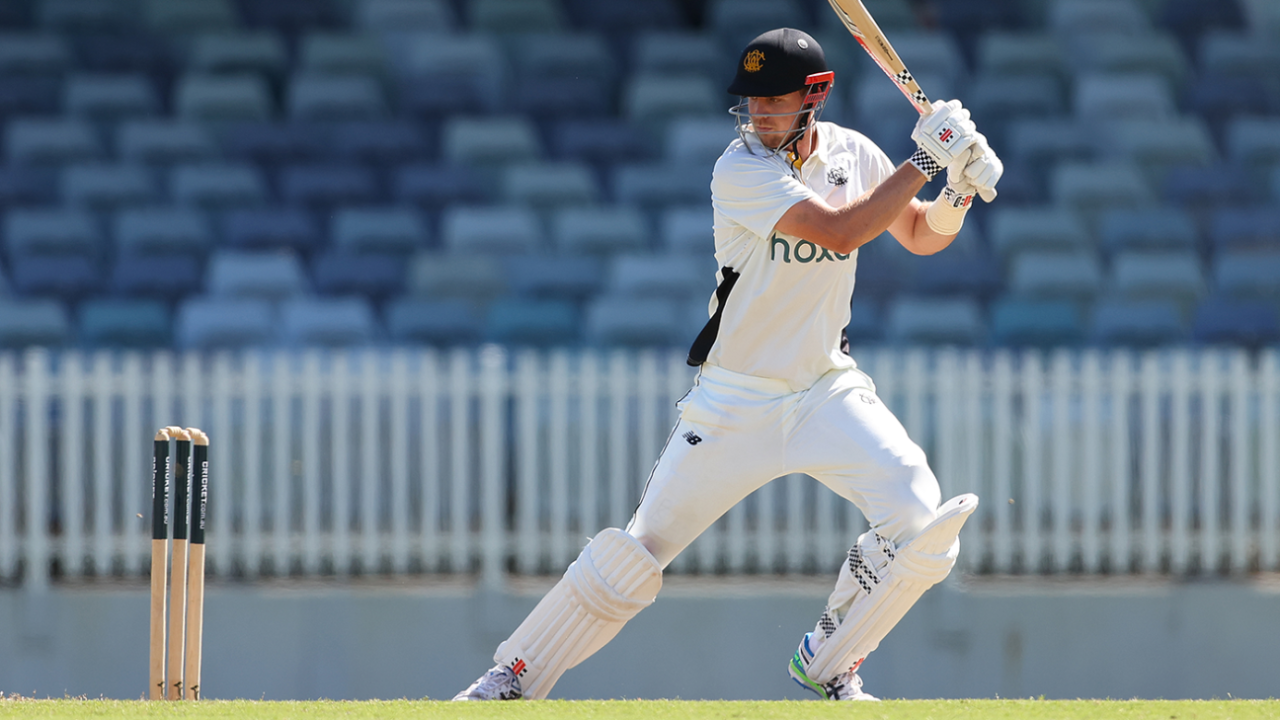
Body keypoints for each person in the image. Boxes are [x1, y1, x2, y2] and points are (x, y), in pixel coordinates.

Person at [453, 27, 1003, 702]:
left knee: (920, 521)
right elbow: (839, 232)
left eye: (775, 100)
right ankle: (512, 676)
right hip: (733, 401)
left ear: (816, 94)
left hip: (825, 389)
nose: (760, 114)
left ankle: (830, 661)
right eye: (752, 100)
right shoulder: (739, 169)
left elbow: (917, 234)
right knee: (635, 557)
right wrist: (927, 160)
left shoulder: (855, 153)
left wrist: (956, 190)